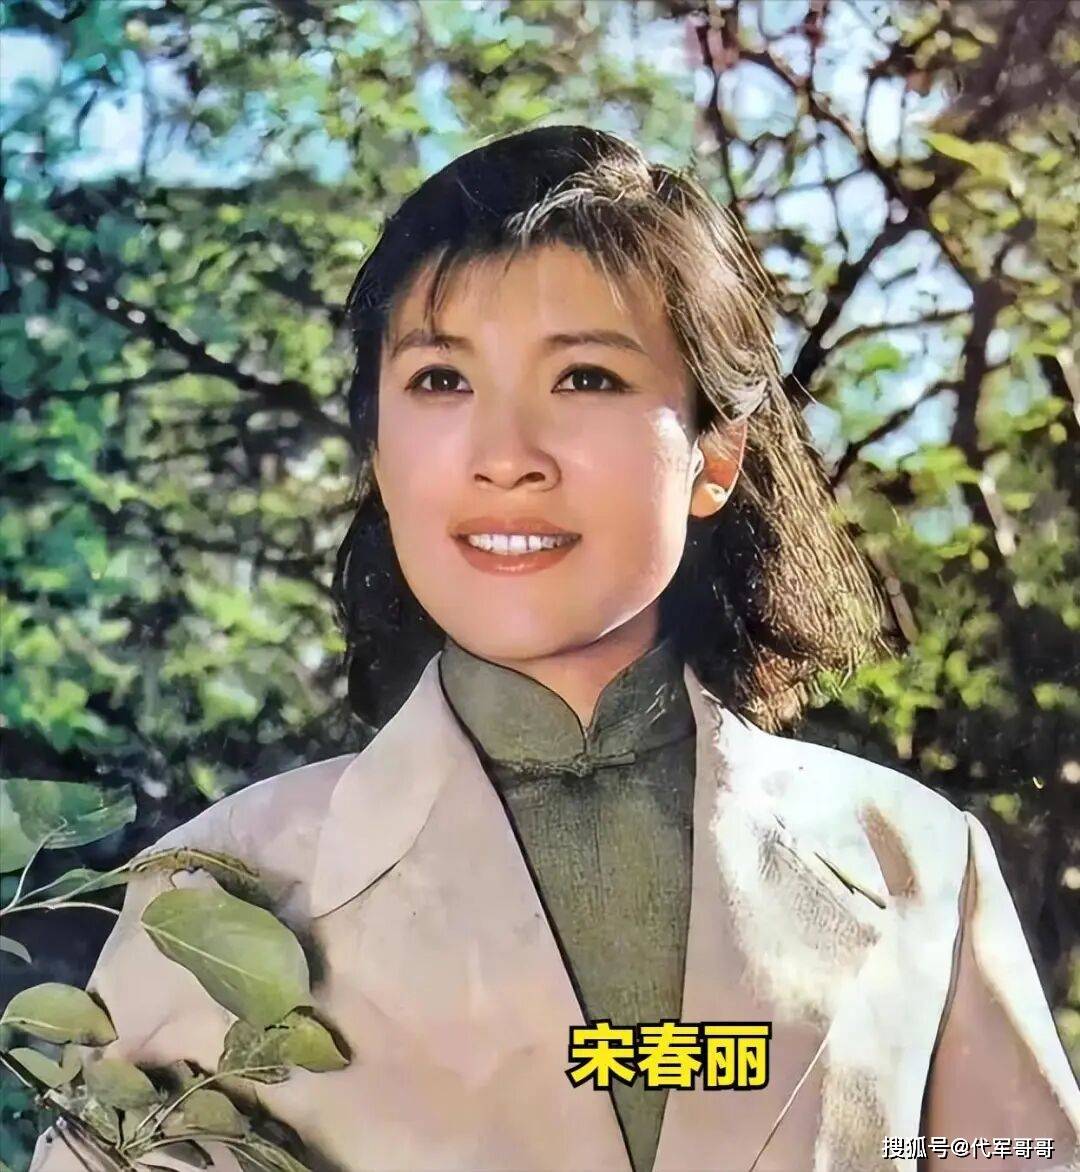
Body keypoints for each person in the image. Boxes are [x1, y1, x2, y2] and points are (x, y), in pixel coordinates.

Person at [32, 125, 1079, 1172]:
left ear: (716, 454)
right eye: (441, 380)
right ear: (380, 454)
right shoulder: (215, 895)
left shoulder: (917, 862)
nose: (506, 457)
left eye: (584, 377)